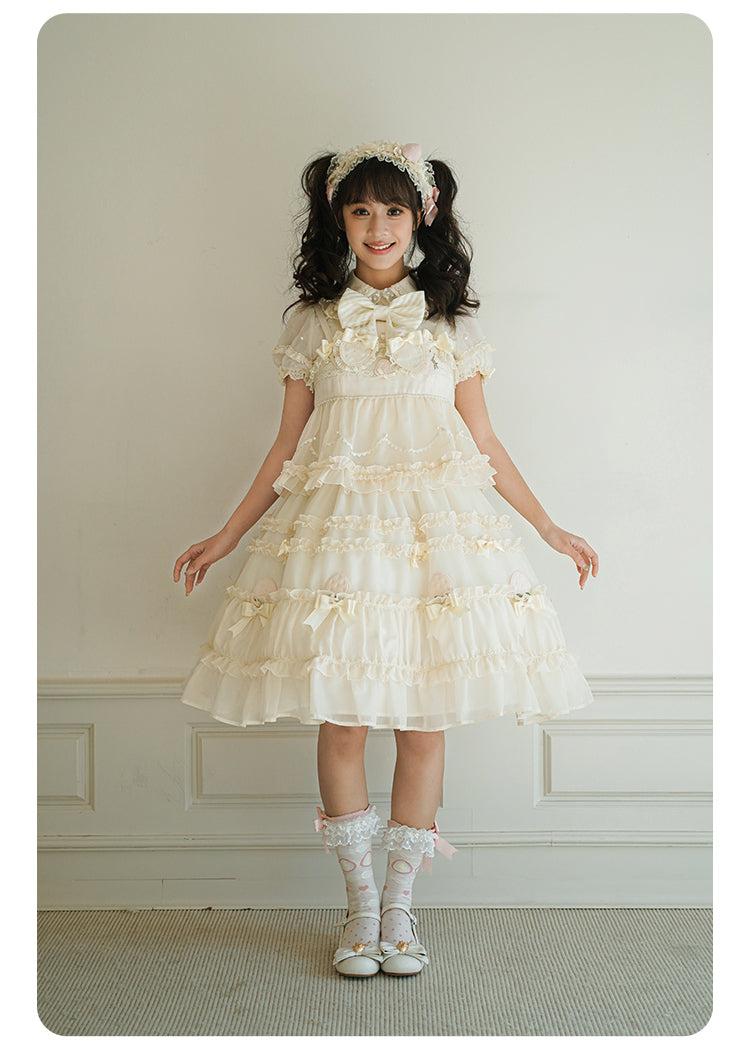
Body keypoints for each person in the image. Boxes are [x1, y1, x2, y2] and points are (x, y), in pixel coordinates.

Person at [173, 140, 599, 978]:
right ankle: (360, 906)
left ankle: (402, 907)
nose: (377, 226)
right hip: (341, 544)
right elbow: (285, 448)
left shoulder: (451, 325)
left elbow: (485, 441)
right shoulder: (312, 323)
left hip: (432, 545)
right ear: (339, 219)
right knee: (344, 718)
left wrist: (549, 527)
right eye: (361, 209)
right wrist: (226, 536)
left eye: (393, 209)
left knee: (423, 722)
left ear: (421, 219)